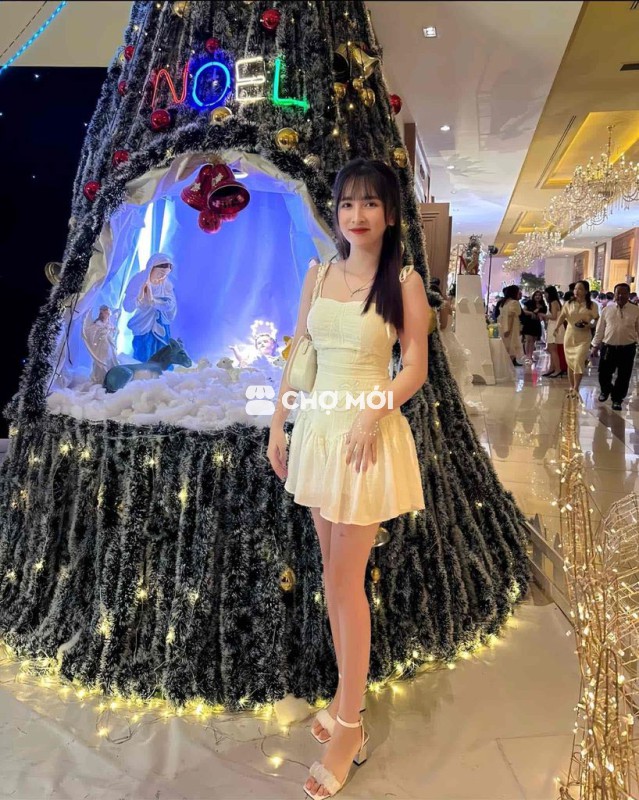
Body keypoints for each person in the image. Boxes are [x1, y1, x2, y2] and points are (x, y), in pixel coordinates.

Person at [267, 159, 428, 800]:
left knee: (343, 581)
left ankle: (351, 726)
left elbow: (414, 366)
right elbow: (298, 354)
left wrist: (373, 410)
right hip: (317, 431)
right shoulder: (318, 272)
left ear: (390, 214)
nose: (357, 215)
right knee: (333, 576)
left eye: (370, 203)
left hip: (365, 438)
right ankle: (343, 700)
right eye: (347, 204)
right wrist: (278, 424)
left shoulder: (404, 282)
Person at [591, 282, 639, 411]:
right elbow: (600, 329)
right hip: (608, 347)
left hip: (627, 348)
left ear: (628, 294)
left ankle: (617, 399)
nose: (621, 296)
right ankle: (606, 390)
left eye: (624, 293)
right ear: (614, 294)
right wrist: (595, 345)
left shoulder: (636, 310)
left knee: (624, 376)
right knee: (604, 373)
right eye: (618, 293)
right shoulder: (607, 310)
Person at [123, 253, 177, 362]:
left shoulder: (166, 284)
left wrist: (154, 302)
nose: (162, 277)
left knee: (161, 351)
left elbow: (171, 304)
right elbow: (128, 306)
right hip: (143, 323)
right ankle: (143, 368)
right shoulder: (139, 280)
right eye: (160, 273)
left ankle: (160, 369)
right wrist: (139, 298)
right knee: (144, 350)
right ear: (151, 268)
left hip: (160, 323)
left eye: (166, 275)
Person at [554, 279, 599, 396]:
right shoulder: (568, 303)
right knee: (570, 363)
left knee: (578, 361)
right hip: (570, 335)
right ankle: (571, 386)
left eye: (580, 289)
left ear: (586, 291)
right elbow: (562, 316)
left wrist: (591, 325)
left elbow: (597, 319)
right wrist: (556, 327)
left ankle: (576, 387)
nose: (576, 291)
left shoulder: (592, 305)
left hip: (584, 337)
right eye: (575, 289)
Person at [81, 305, 119, 383]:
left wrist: (113, 330)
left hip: (109, 343)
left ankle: (109, 374)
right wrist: (103, 331)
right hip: (102, 344)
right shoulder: (98, 323)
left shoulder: (108, 322)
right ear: (102, 313)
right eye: (105, 313)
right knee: (102, 359)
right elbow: (93, 332)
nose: (107, 315)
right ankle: (100, 377)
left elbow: (112, 329)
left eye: (108, 313)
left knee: (110, 358)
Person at [539, 286, 563, 377]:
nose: (544, 295)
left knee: (553, 349)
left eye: (545, 293)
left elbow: (554, 316)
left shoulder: (553, 302)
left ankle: (557, 369)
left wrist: (543, 315)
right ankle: (552, 368)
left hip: (554, 327)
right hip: (553, 326)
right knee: (551, 349)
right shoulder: (555, 302)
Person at [498, 285, 524, 366]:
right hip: (511, 327)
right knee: (512, 347)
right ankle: (509, 367)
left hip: (502, 325)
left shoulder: (504, 303)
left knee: (506, 347)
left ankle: (506, 367)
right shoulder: (514, 303)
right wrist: (508, 329)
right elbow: (511, 317)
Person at [520, 289, 547, 362]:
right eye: (536, 295)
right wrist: (531, 313)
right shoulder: (529, 302)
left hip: (536, 324)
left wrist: (545, 324)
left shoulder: (543, 305)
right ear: (533, 296)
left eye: (539, 295)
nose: (537, 296)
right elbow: (524, 311)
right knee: (528, 340)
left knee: (533, 341)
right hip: (528, 323)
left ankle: (530, 356)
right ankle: (527, 356)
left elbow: (543, 316)